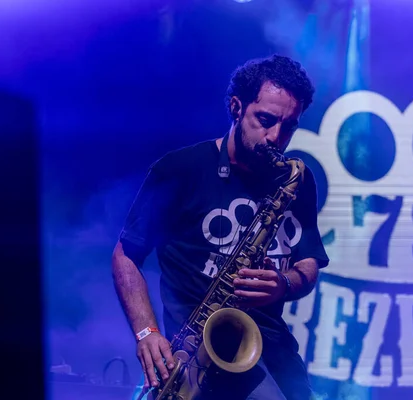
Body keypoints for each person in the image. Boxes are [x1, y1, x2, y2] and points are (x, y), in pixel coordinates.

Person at [112, 54, 329, 400]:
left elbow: (309, 263)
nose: (277, 136)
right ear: (236, 107)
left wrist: (284, 284)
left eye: (289, 126)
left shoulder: (296, 180)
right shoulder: (180, 169)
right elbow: (126, 254)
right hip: (196, 353)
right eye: (266, 120)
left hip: (271, 347)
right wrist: (146, 332)